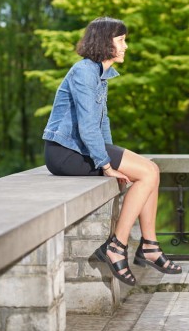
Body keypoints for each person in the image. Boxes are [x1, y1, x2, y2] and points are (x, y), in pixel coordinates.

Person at [42, 17, 181, 286]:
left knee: (150, 170)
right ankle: (117, 247)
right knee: (147, 172)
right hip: (65, 152)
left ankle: (149, 246)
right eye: (121, 40)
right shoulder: (84, 71)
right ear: (106, 42)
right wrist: (106, 164)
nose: (126, 46)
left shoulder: (99, 74)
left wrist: (113, 155)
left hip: (80, 148)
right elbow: (86, 126)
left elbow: (101, 122)